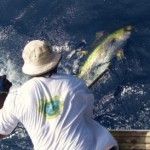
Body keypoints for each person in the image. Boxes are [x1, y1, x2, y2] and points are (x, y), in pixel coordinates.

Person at [0, 40, 118, 150]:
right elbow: (89, 112)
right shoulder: (75, 83)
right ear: (55, 62)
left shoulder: (14, 98)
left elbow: (2, 133)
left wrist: (2, 98)